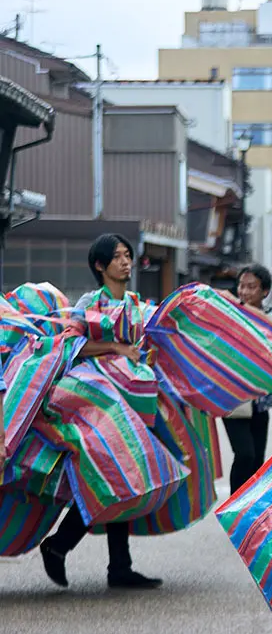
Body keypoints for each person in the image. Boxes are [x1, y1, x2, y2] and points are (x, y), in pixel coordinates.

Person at [39, 234, 162, 590]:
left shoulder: (138, 304)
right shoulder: (91, 302)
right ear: (99, 265)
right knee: (112, 477)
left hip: (132, 400)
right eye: (118, 257)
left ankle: (117, 566)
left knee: (123, 478)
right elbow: (70, 343)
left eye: (128, 255)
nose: (126, 262)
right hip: (96, 405)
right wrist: (113, 346)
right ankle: (61, 546)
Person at [224, 264, 272, 494]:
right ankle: (234, 510)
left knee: (257, 460)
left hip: (260, 402)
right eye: (241, 286)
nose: (245, 292)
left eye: (252, 287)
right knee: (244, 454)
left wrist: (236, 307)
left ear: (265, 291)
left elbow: (269, 327)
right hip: (233, 399)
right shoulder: (228, 314)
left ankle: (249, 513)